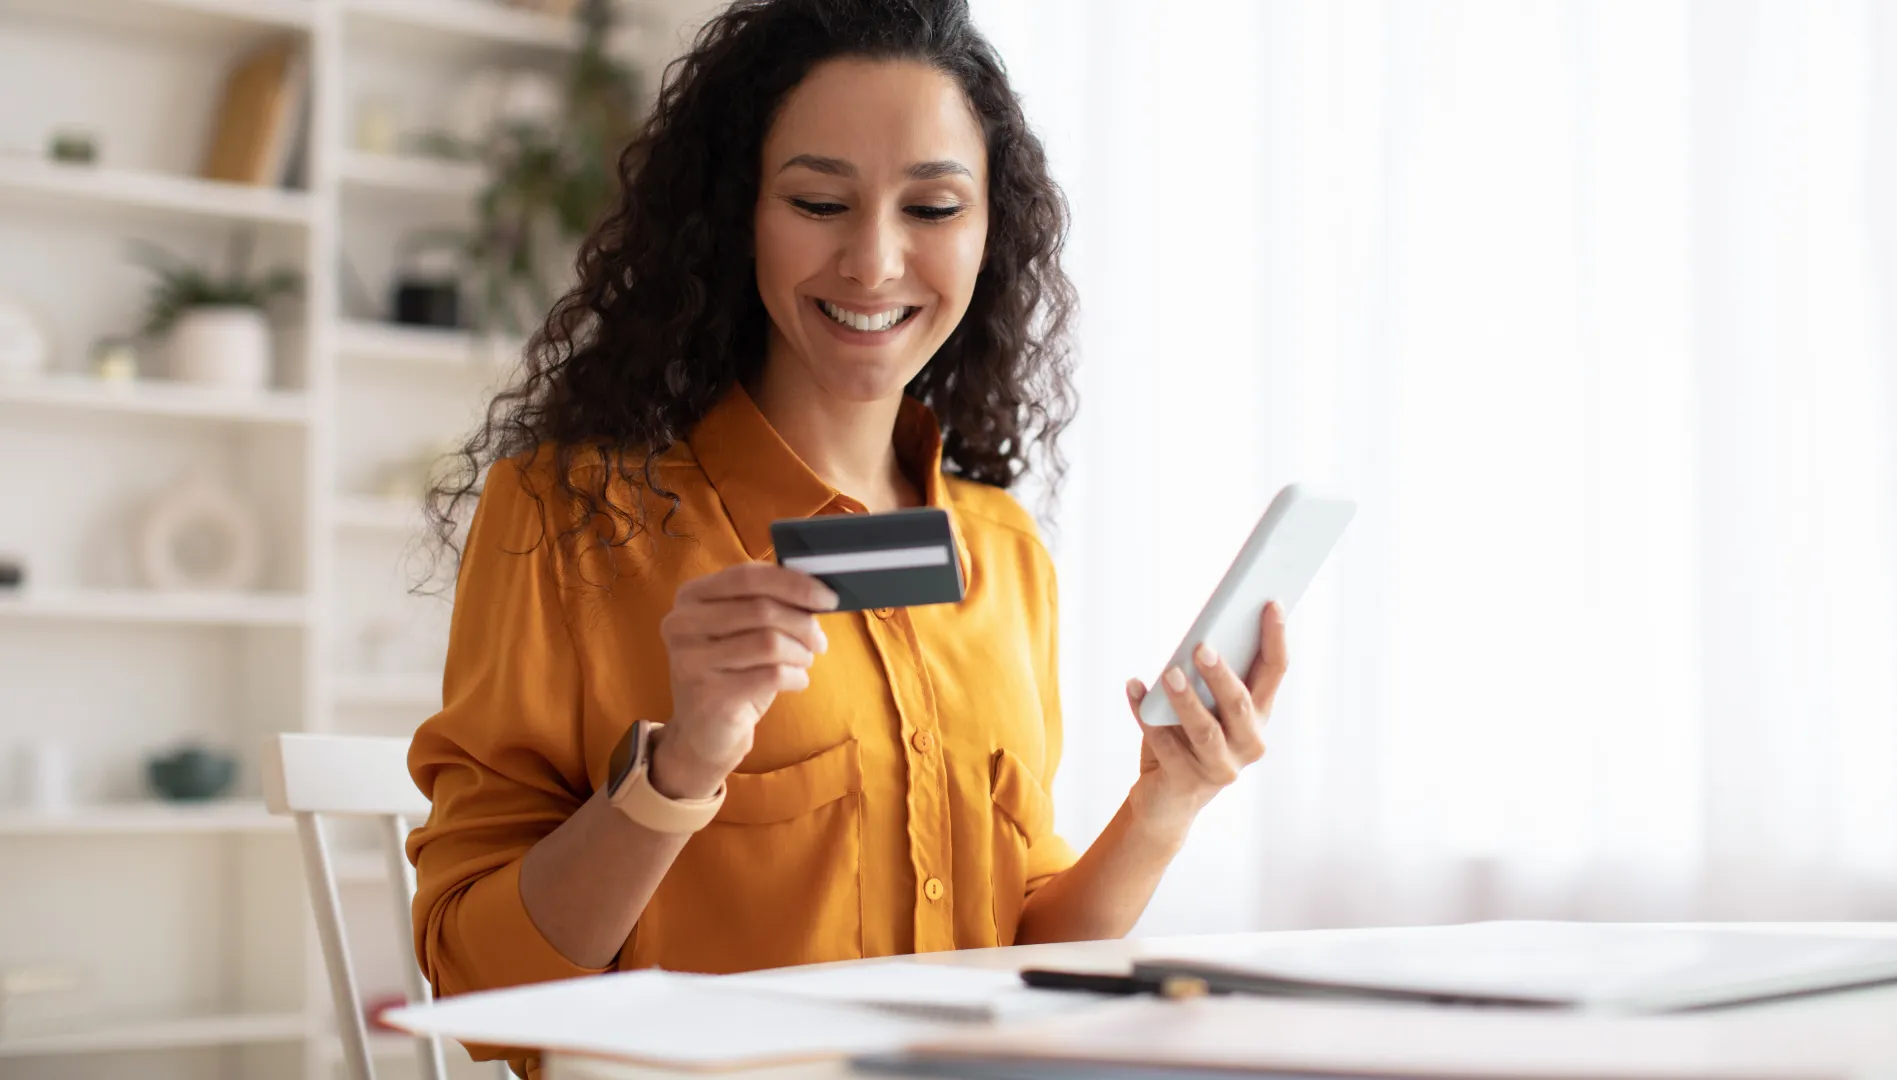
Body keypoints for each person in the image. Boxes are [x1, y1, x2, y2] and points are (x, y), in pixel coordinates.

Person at [407, 1, 1288, 1074]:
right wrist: (680, 767)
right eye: (820, 201)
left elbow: (1018, 971)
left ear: (986, 233)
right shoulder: (571, 519)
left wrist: (1165, 802)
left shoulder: (1003, 554)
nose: (873, 263)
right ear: (739, 213)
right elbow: (480, 990)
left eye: (932, 206)